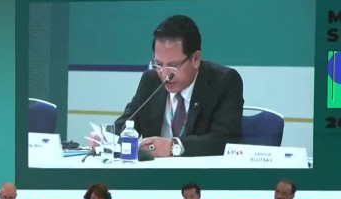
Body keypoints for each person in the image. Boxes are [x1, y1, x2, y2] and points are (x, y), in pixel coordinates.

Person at [100, 15, 243, 157]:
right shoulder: (151, 80)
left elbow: (224, 140)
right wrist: (105, 140)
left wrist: (173, 147)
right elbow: (126, 125)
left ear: (195, 59)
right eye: (158, 64)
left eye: (173, 66)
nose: (164, 74)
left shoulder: (224, 81)